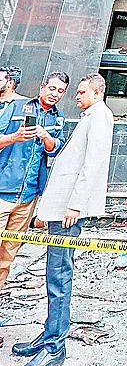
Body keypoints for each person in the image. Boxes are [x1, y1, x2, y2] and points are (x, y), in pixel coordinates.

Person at [11, 74, 114, 366]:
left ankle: (55, 348)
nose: (76, 96)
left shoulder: (100, 116)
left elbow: (93, 163)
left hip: (70, 209)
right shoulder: (91, 116)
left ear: (96, 92)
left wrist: (76, 204)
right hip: (62, 208)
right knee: (54, 273)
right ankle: (49, 335)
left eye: (81, 92)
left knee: (59, 275)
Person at [0, 72, 68, 293]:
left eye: (60, 91)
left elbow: (56, 149)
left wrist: (46, 136)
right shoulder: (17, 107)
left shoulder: (57, 119)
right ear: (42, 87)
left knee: (7, 256)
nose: (54, 94)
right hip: (3, 190)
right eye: (52, 88)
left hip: (28, 197)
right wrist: (14, 137)